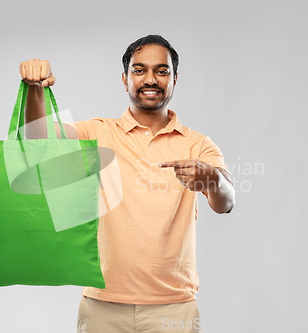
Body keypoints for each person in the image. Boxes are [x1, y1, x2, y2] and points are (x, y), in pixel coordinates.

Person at [20, 34, 235, 333]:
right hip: (102, 307)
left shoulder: (197, 144)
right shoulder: (98, 132)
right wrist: (35, 89)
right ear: (125, 79)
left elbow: (226, 202)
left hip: (174, 307)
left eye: (162, 71)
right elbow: (37, 142)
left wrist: (211, 178)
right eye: (139, 70)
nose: (151, 79)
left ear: (175, 79)